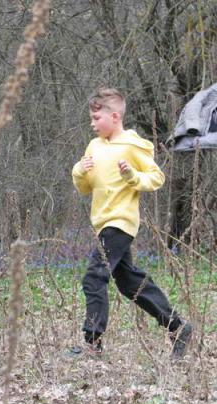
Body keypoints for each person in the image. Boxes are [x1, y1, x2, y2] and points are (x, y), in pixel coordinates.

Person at [71, 88, 192, 358]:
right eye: (91, 118)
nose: (92, 123)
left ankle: (92, 343)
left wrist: (132, 176)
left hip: (121, 221)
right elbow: (84, 187)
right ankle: (177, 326)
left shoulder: (133, 145)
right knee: (128, 282)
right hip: (103, 222)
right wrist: (79, 170)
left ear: (115, 116)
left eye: (96, 117)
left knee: (94, 277)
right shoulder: (94, 147)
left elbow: (156, 178)